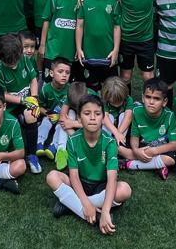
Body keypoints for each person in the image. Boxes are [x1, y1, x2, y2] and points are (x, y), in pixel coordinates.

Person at [45, 95, 132, 235]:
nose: (92, 118)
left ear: (103, 118)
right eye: (87, 113)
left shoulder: (110, 142)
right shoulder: (73, 140)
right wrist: (85, 204)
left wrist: (105, 211)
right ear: (79, 119)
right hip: (80, 184)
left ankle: (69, 205)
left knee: (125, 190)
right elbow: (73, 176)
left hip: (101, 186)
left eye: (97, 114)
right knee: (52, 177)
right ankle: (94, 215)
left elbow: (112, 179)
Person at [0, 34, 40, 172]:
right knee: (6, 124)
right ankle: (7, 153)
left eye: (15, 61)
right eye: (9, 63)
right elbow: (3, 95)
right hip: (10, 106)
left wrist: (34, 98)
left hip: (27, 100)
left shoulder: (25, 59)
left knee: (31, 115)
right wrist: (22, 100)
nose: (13, 65)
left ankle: (32, 155)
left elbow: (33, 80)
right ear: (1, 58)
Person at [114, 0, 161, 84]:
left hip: (146, 41)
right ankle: (126, 98)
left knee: (148, 76)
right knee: (125, 76)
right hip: (126, 40)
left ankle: (148, 98)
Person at [122, 78, 176, 178]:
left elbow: (174, 145)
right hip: (142, 146)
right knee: (120, 149)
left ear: (164, 101)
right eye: (148, 97)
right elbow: (134, 136)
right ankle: (156, 165)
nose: (151, 102)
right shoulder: (136, 111)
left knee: (170, 159)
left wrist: (154, 151)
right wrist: (136, 150)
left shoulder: (169, 116)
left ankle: (128, 164)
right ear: (143, 98)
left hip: (159, 148)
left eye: (157, 99)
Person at [39, 0, 79, 82]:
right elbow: (46, 21)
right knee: (49, 82)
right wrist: (42, 45)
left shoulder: (81, 0)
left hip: (71, 51)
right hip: (53, 51)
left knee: (68, 84)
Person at [35, 57, 71, 160]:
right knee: (45, 122)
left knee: (61, 126)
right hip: (50, 115)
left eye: (67, 73)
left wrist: (60, 117)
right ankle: (39, 143)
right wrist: (48, 114)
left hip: (62, 117)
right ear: (51, 73)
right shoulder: (45, 89)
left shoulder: (70, 89)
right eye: (60, 71)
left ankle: (53, 147)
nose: (64, 75)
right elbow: (39, 106)